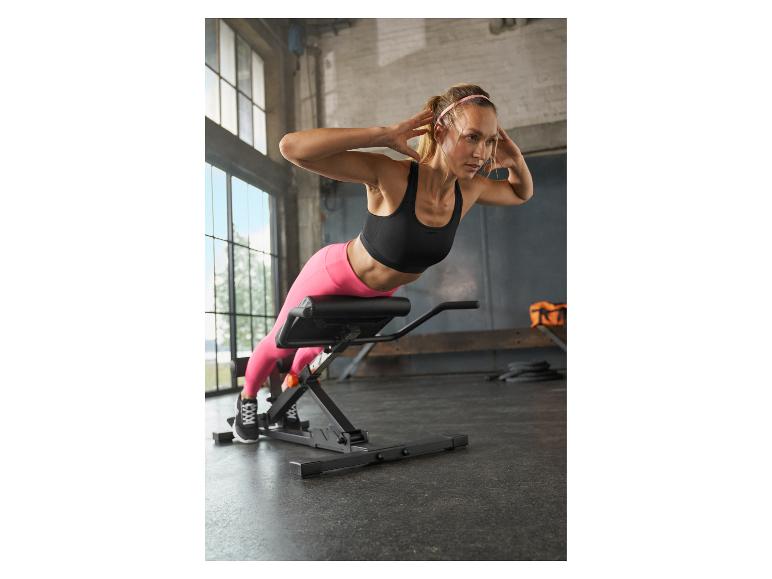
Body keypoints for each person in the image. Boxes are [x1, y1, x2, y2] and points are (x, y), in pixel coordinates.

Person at [233, 83, 534, 443]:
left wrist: (514, 159)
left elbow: (521, 193)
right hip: (333, 274)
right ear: (440, 132)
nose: (481, 153)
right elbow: (291, 148)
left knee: (316, 348)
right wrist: (382, 135)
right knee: (283, 340)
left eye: (489, 141)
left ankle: (288, 395)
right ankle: (246, 399)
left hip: (376, 294)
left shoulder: (469, 189)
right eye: (472, 137)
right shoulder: (392, 175)